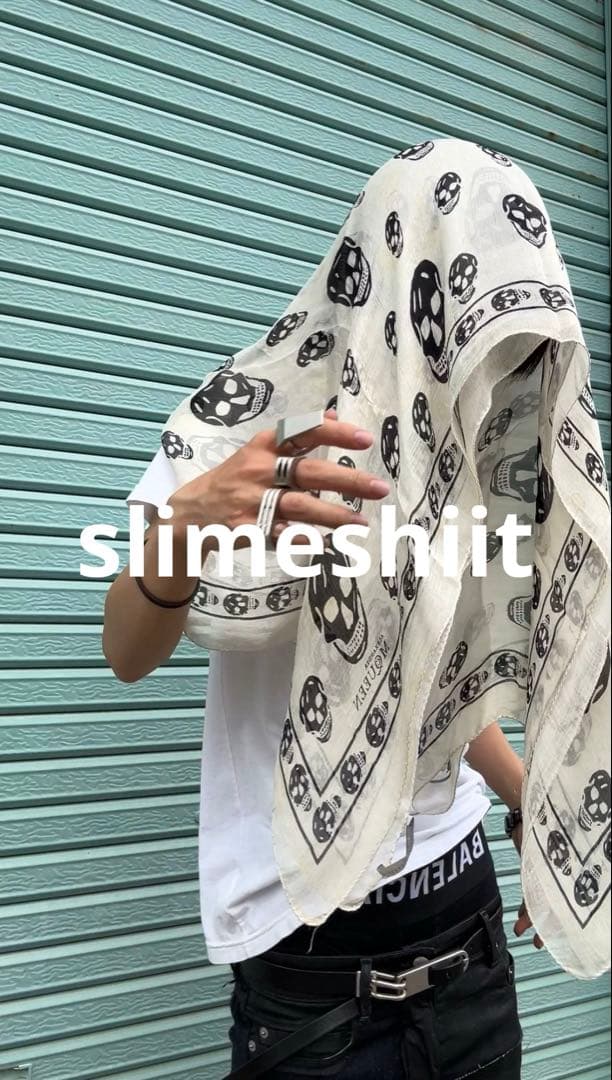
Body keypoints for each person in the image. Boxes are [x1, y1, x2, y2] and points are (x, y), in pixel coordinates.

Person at [103, 137, 609, 1077]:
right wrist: (191, 520)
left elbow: (425, 686)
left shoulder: (469, 454)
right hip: (309, 977)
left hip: (466, 940)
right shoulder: (249, 425)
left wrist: (535, 806)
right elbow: (127, 650)